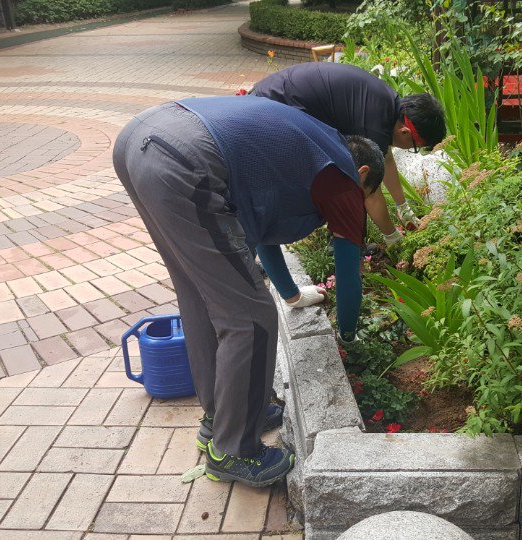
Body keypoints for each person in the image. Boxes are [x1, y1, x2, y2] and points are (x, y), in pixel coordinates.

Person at [112, 96, 385, 488]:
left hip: (141, 137)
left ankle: (223, 417)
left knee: (200, 293)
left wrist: (291, 294)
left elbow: (263, 236)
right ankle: (234, 450)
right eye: (367, 193)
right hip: (182, 158)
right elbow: (348, 272)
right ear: (361, 173)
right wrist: (348, 334)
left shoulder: (309, 148)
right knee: (251, 316)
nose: (360, 202)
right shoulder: (341, 180)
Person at [249, 62, 446, 242]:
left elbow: (385, 158)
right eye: (414, 148)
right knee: (299, 192)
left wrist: (402, 206)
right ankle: (257, 238)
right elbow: (370, 192)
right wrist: (393, 237)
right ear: (405, 132)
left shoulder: (386, 105)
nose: (409, 150)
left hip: (273, 99)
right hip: (269, 111)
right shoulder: (375, 124)